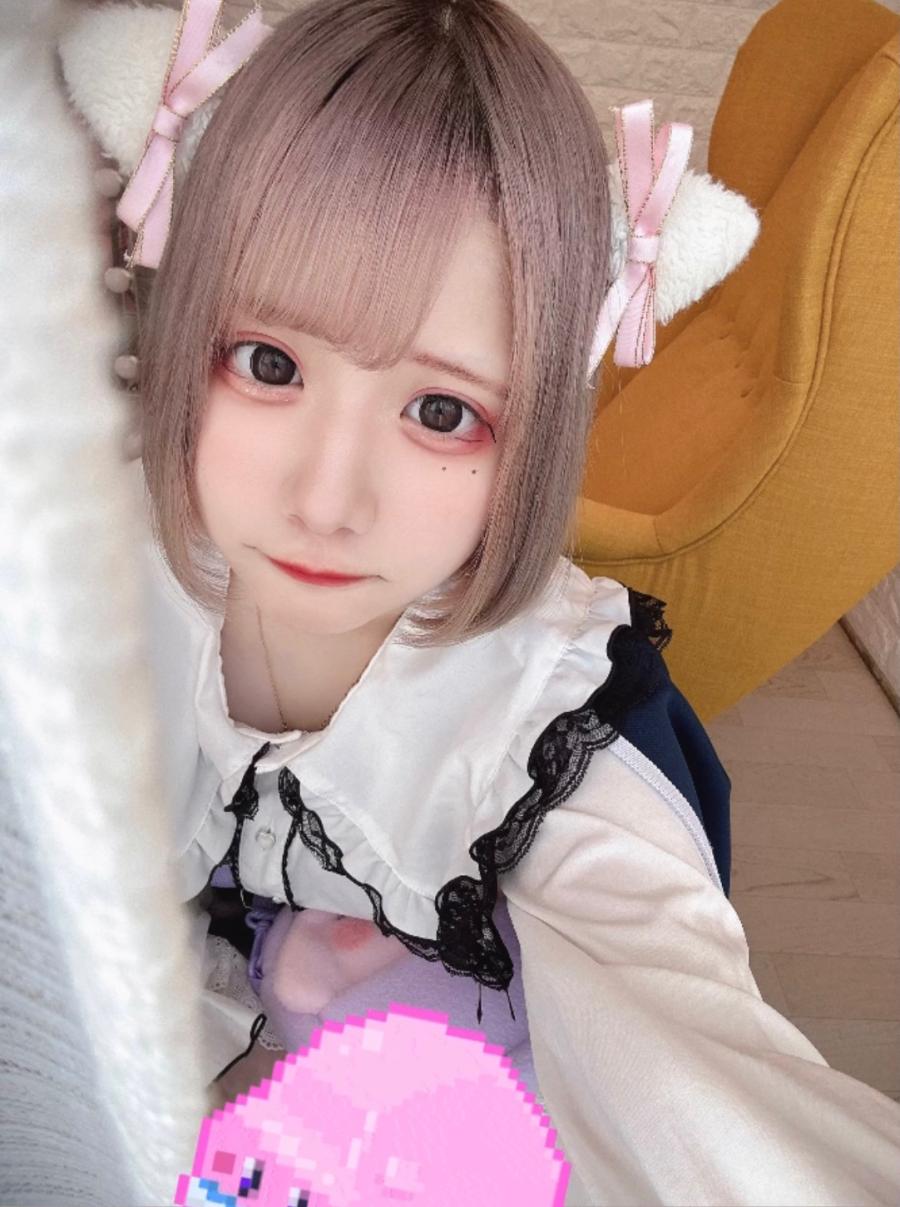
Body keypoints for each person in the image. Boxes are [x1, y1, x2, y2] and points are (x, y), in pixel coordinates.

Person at [111, 0, 900, 1202]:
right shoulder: (94, 563)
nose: (328, 499)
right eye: (270, 364)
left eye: (442, 413)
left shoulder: (550, 735)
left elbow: (694, 1075)